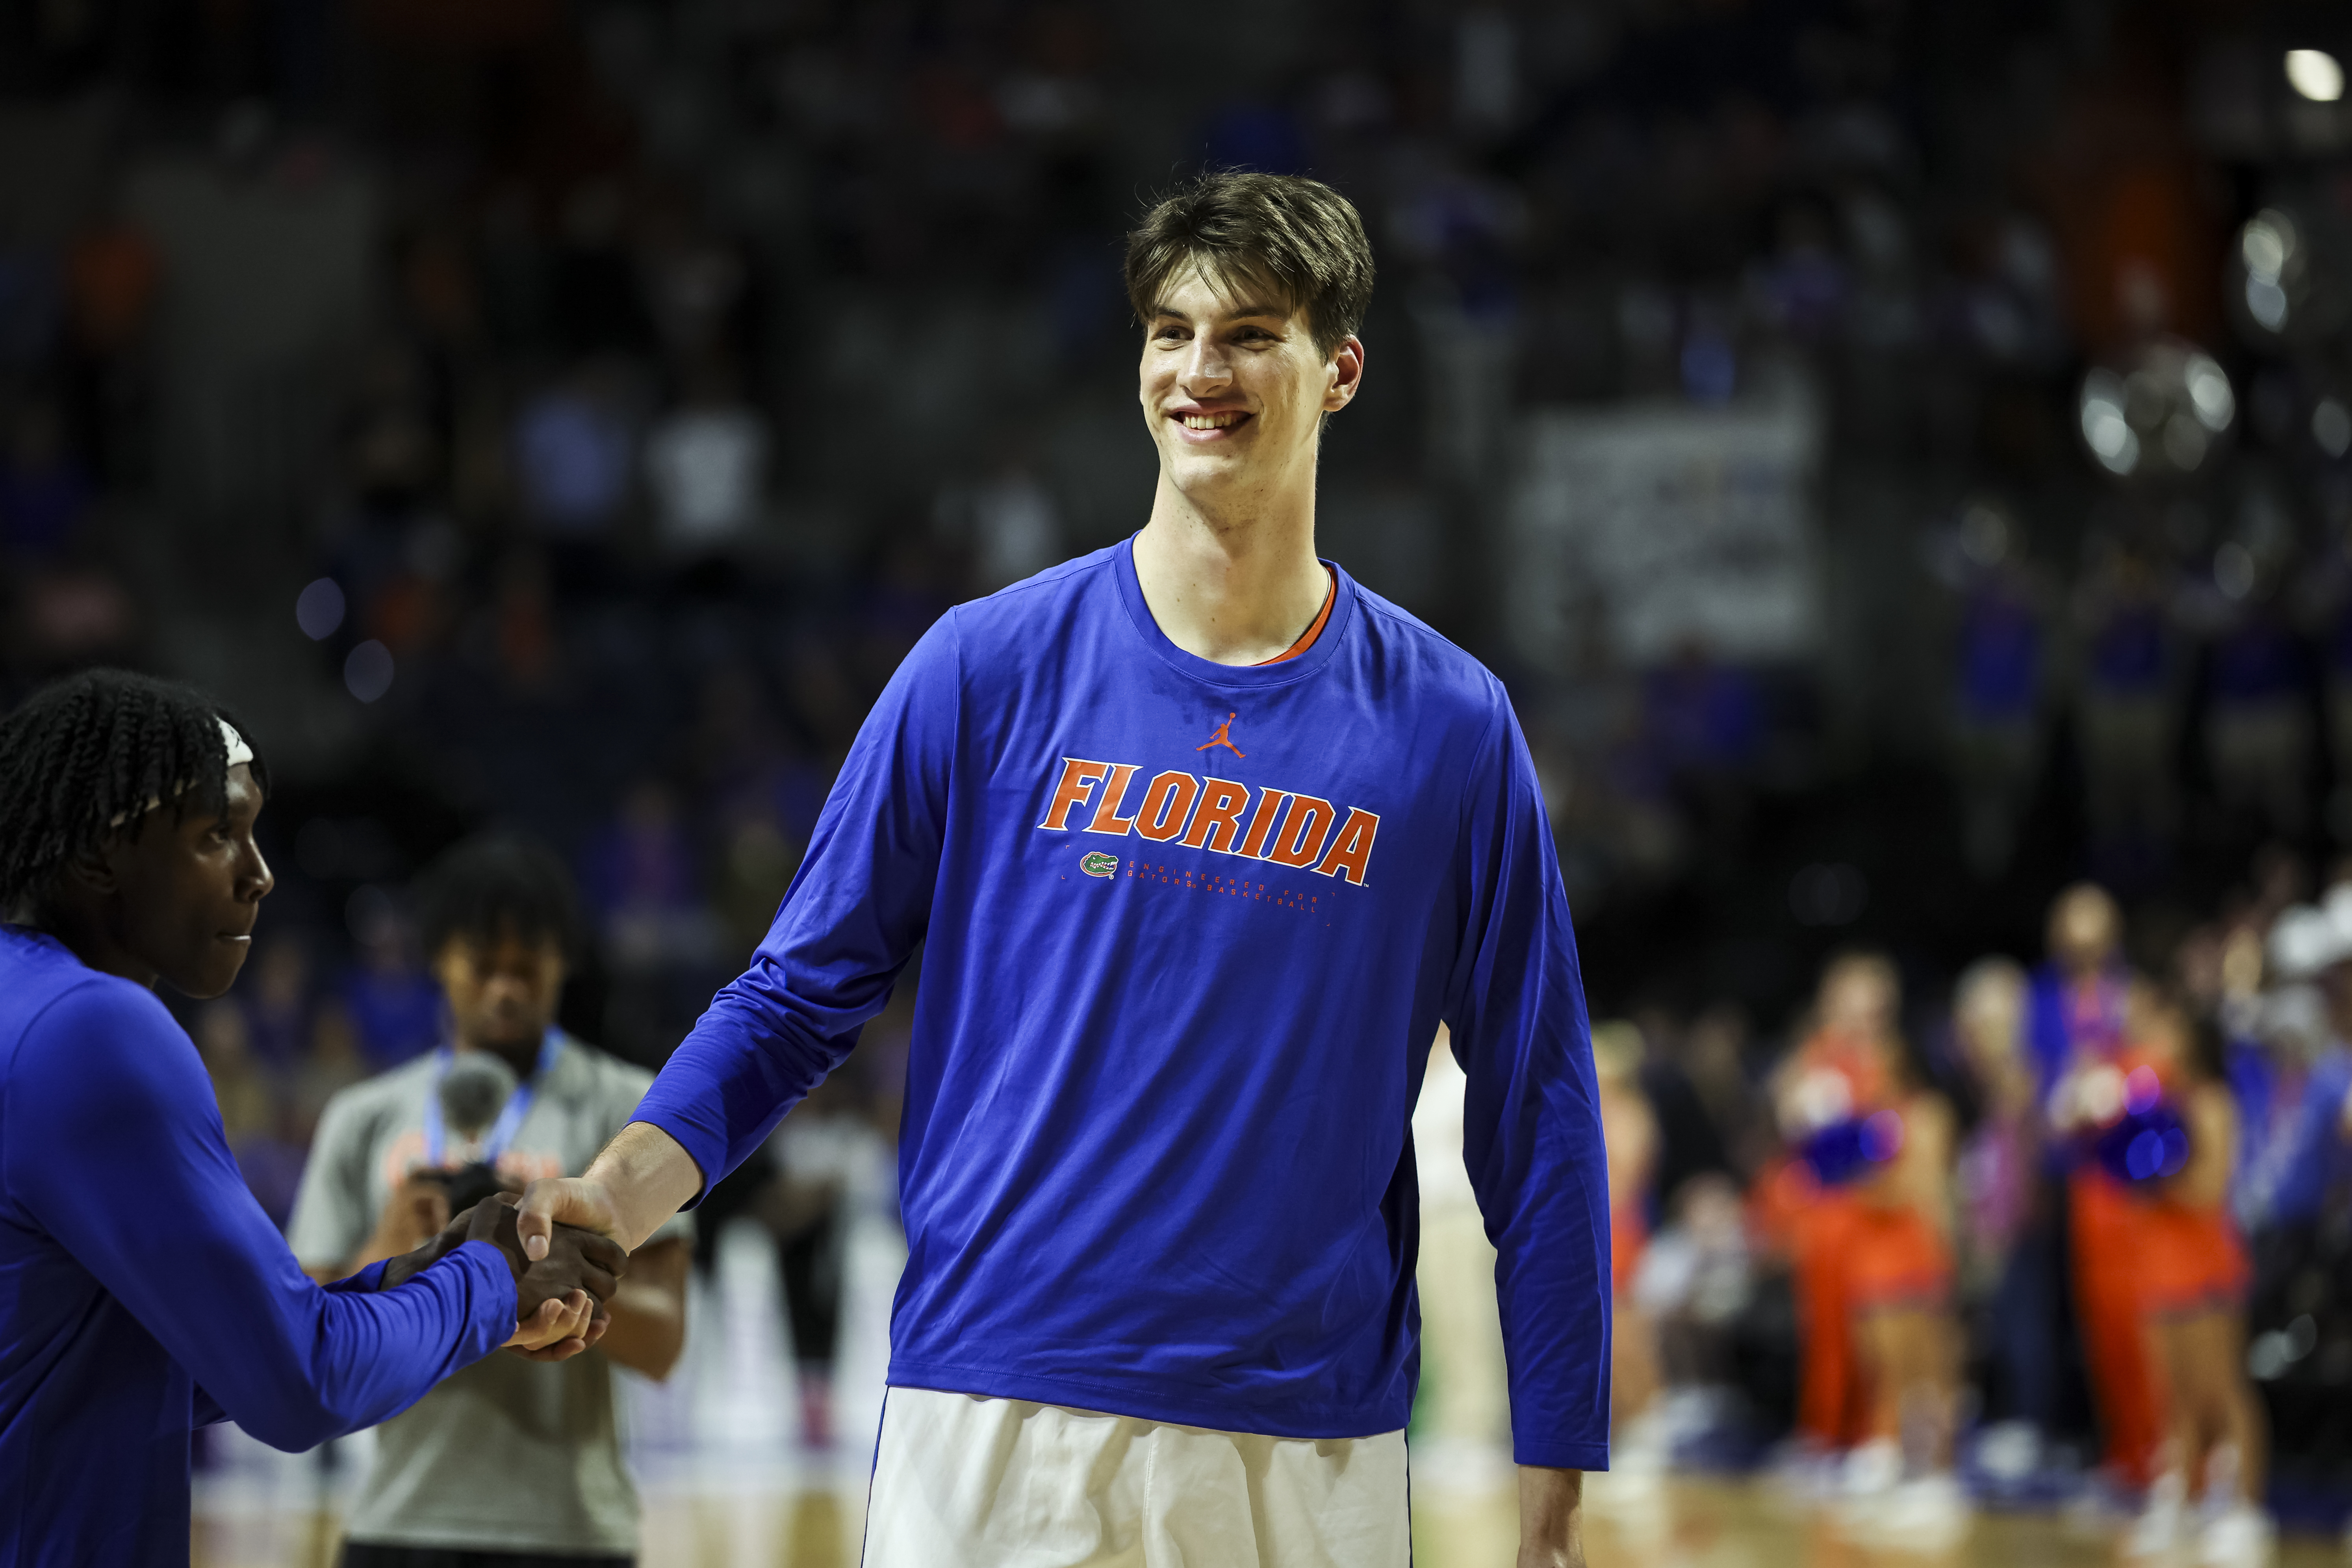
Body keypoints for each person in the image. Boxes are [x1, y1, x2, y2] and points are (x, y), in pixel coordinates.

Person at [520, 171, 1609, 1568]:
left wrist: (1555, 1491)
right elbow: (794, 1002)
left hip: (1302, 1437)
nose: (1196, 372)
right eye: (1170, 332)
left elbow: (1540, 1110)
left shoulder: (1452, 728)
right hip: (991, 1414)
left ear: (1339, 370)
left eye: (1248, 335)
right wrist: (612, 1200)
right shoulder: (983, 668)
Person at [0, 669, 623, 1564]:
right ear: (102, 853)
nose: (260, 874)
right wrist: (490, 1278)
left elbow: (107, 1370)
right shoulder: (92, 1028)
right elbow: (301, 1382)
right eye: (219, 834)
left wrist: (413, 1277)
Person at [291, 833, 694, 1568]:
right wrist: (387, 1254)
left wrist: (562, 1277)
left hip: (571, 1528)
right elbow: (302, 1341)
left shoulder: (628, 1105)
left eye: (527, 971)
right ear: (439, 962)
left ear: (563, 964)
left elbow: (665, 1344)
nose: (505, 990)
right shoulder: (363, 1116)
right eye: (484, 968)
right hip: (400, 1518)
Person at [1775, 953, 1965, 1538]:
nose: (1869, 1064)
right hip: (1878, 1258)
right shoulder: (1875, 1114)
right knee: (1890, 1370)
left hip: (1913, 1256)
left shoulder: (1921, 1114)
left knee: (1925, 1375)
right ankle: (1906, 1470)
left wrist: (1856, 1160)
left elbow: (1915, 1189)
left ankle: (1937, 1478)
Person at [2112, 987, 2271, 1566]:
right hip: (2158, 1265)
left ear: (2194, 1041)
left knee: (2221, 1389)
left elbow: (2208, 1189)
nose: (2156, 1046)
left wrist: (2158, 1174)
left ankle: (2246, 1509)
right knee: (2172, 1396)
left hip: (2205, 1264)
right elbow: (2127, 1176)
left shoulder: (2210, 1102)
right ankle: (2179, 1496)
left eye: (2169, 1034)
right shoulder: (2155, 1101)